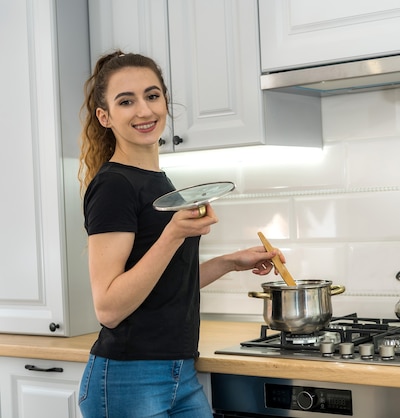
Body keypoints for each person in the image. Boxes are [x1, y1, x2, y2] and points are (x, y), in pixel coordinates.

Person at [77, 50, 283, 417]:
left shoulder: (158, 182)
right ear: (104, 116)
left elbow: (161, 285)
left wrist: (230, 262)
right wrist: (172, 235)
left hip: (180, 373)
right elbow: (109, 307)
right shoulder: (114, 185)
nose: (144, 110)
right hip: (128, 379)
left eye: (152, 96)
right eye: (127, 101)